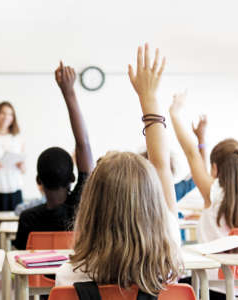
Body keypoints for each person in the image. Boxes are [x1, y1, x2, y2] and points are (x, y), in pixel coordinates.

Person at [56, 45, 181, 296]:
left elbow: (160, 167)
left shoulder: (70, 276)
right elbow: (162, 167)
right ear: (153, 201)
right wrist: (149, 98)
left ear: (91, 206)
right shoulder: (169, 266)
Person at [170, 91, 238, 299]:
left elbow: (192, 154)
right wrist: (202, 138)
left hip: (214, 290)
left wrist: (175, 113)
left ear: (215, 169)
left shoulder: (214, 194)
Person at [12, 61, 93, 250]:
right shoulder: (82, 211)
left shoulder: (27, 218)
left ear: (38, 180)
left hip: (37, 281)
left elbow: (20, 261)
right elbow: (84, 144)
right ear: (73, 177)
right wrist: (69, 92)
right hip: (75, 281)